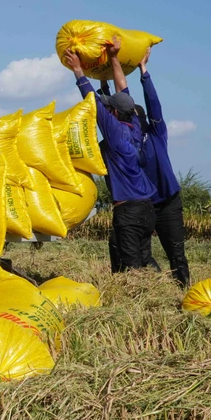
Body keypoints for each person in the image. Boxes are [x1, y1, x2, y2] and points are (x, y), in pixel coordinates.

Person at [63, 38, 157, 272]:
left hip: (128, 210)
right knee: (130, 250)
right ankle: (160, 285)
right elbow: (123, 89)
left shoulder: (115, 132)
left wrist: (78, 70)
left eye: (109, 107)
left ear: (114, 112)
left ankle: (139, 296)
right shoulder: (134, 124)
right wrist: (114, 57)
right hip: (147, 207)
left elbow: (91, 101)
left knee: (130, 264)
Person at [99, 48, 190, 286]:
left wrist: (144, 72)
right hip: (142, 205)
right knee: (122, 247)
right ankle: (149, 286)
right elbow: (121, 97)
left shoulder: (156, 132)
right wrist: (106, 72)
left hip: (167, 203)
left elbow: (153, 104)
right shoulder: (129, 135)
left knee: (176, 253)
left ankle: (184, 291)